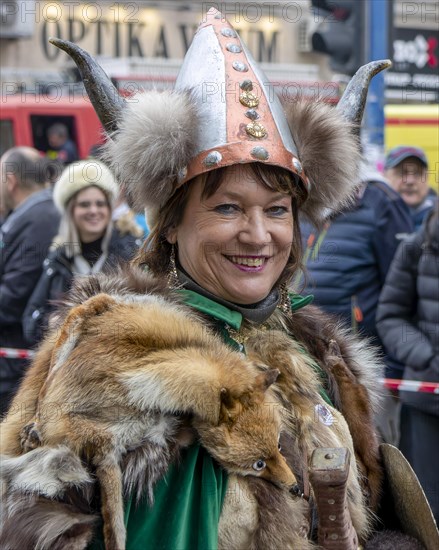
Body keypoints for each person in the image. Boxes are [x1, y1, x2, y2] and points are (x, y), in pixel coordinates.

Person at [1, 9, 437, 550]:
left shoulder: (314, 350)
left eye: (277, 210)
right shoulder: (119, 363)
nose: (259, 235)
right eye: (228, 207)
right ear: (170, 225)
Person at [299, 162, 414, 444]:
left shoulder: (379, 202)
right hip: (310, 353)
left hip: (366, 360)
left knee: (376, 444)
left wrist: (398, 365)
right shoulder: (303, 202)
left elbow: (402, 293)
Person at [22, 159, 141, 346]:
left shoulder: (131, 251)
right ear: (70, 211)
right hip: (73, 366)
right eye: (85, 204)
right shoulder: (59, 258)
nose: (94, 211)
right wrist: (53, 322)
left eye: (100, 204)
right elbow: (31, 320)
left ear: (109, 209)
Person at [376, 201, 439, 524]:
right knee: (426, 510)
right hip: (427, 405)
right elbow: (391, 316)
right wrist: (427, 357)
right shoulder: (419, 245)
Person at [0, 147, 60, 415]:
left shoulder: (39, 219)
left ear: (11, 181)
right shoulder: (36, 213)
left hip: (17, 364)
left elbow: (14, 296)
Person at [384, 145, 436, 230]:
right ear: (385, 176)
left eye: (417, 173)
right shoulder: (371, 216)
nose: (410, 181)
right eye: (401, 172)